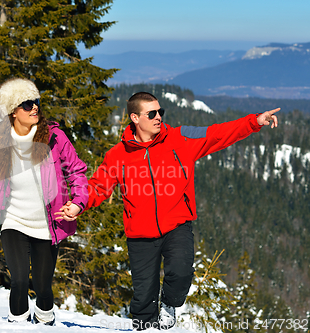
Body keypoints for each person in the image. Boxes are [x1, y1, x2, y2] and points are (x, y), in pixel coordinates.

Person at [58, 92, 280, 330]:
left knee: (182, 272)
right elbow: (98, 186)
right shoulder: (118, 155)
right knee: (143, 298)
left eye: (160, 112)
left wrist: (254, 122)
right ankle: (144, 326)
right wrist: (78, 204)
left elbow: (217, 134)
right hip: (140, 234)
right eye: (151, 113)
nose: (158, 117)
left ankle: (170, 305)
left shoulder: (180, 138)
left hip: (177, 225)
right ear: (134, 117)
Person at [0, 78, 88, 325]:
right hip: (12, 219)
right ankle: (17, 323)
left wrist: (79, 202)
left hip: (48, 223)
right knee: (19, 280)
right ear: (12, 112)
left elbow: (76, 171)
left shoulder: (55, 137)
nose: (35, 108)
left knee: (43, 284)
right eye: (27, 104)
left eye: (36, 102)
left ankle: (45, 319)